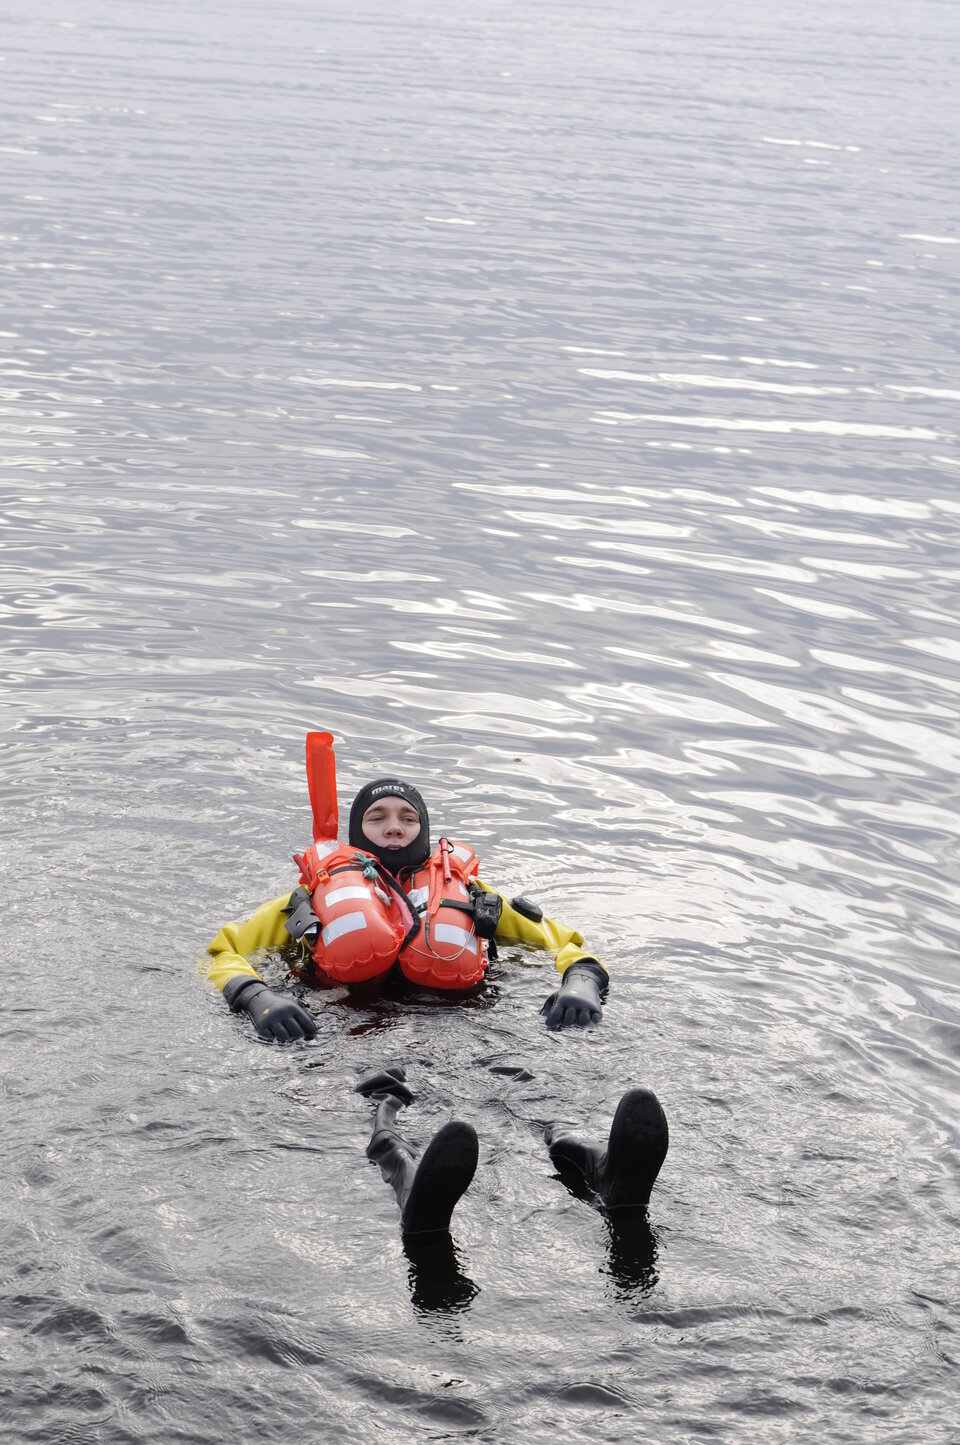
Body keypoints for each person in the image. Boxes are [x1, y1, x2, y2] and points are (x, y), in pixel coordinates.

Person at [205, 736, 669, 1241]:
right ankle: (410, 1183)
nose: (394, 826)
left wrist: (580, 981)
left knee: (518, 1086)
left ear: (424, 827)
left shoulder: (470, 892)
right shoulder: (311, 896)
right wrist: (257, 996)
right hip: (356, 1025)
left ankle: (598, 1164)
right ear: (357, 830)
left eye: (407, 816)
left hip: (462, 1024)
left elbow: (563, 941)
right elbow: (223, 951)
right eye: (377, 817)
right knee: (381, 1093)